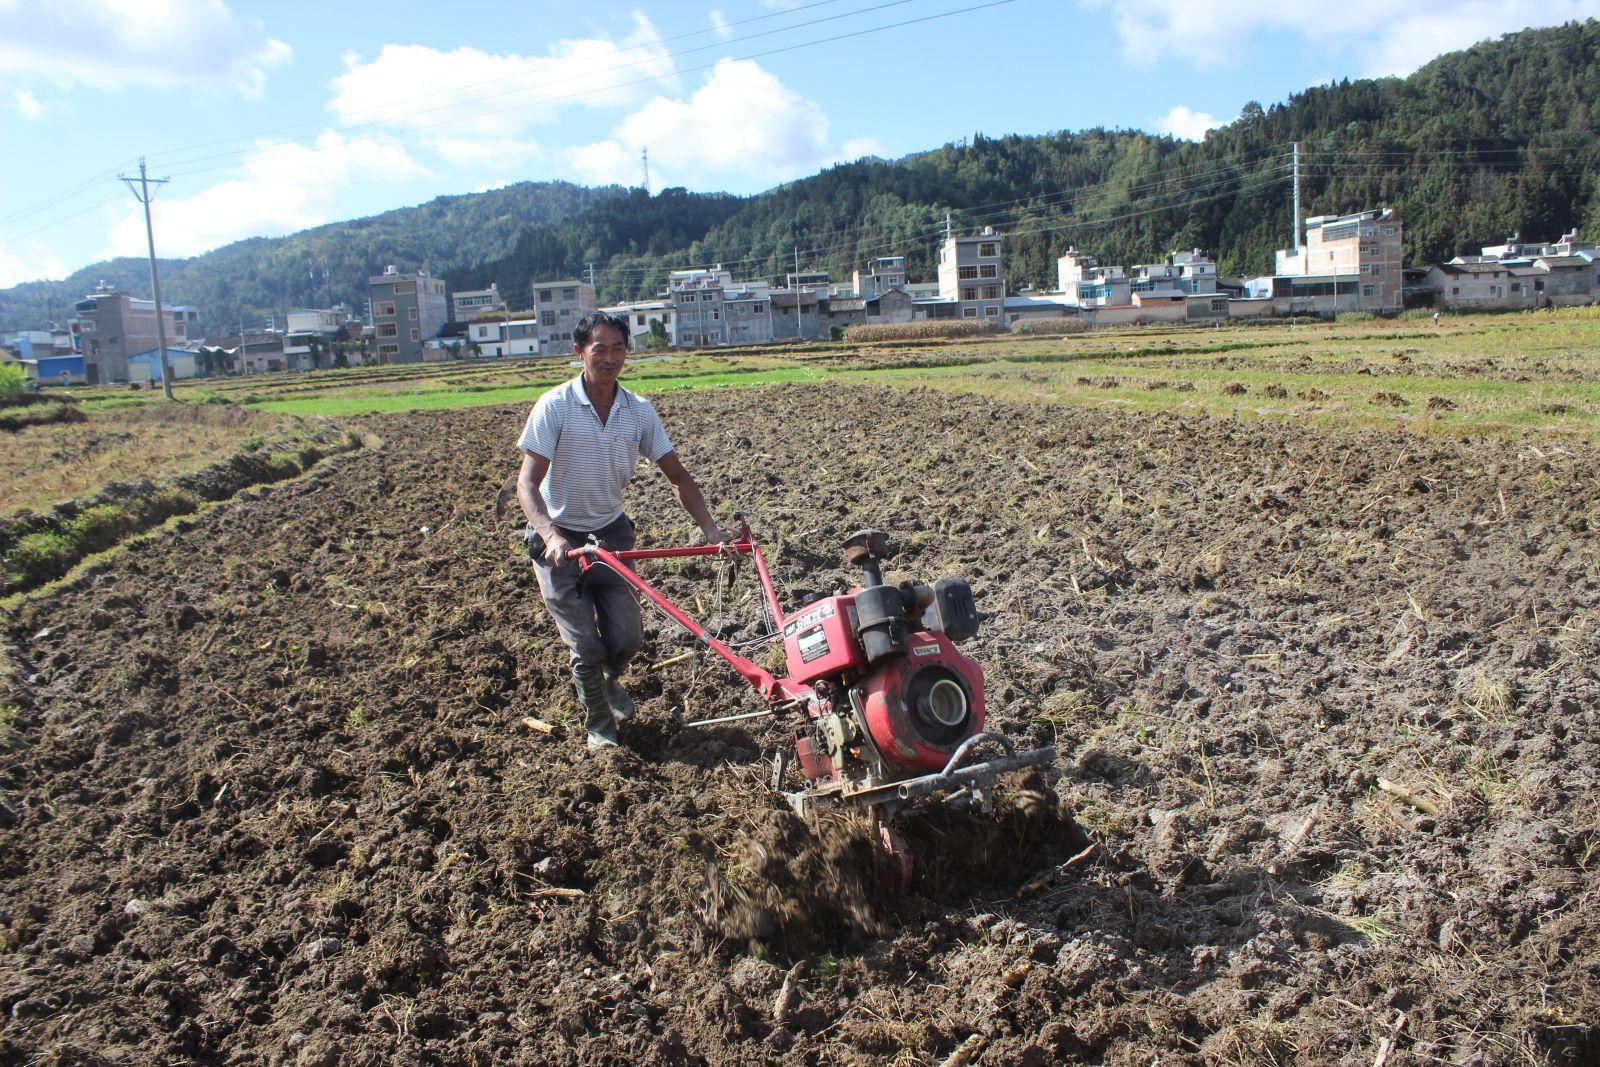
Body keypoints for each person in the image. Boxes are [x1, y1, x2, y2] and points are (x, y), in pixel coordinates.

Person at [515, 311, 731, 753]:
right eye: (600, 349)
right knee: (585, 647)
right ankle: (599, 724)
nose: (610, 358)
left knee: (628, 638)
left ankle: (612, 681)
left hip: (611, 537)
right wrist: (551, 535)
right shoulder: (555, 406)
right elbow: (526, 484)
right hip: (560, 543)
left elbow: (677, 476)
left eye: (618, 349)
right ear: (579, 353)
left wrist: (710, 528)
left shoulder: (638, 411)